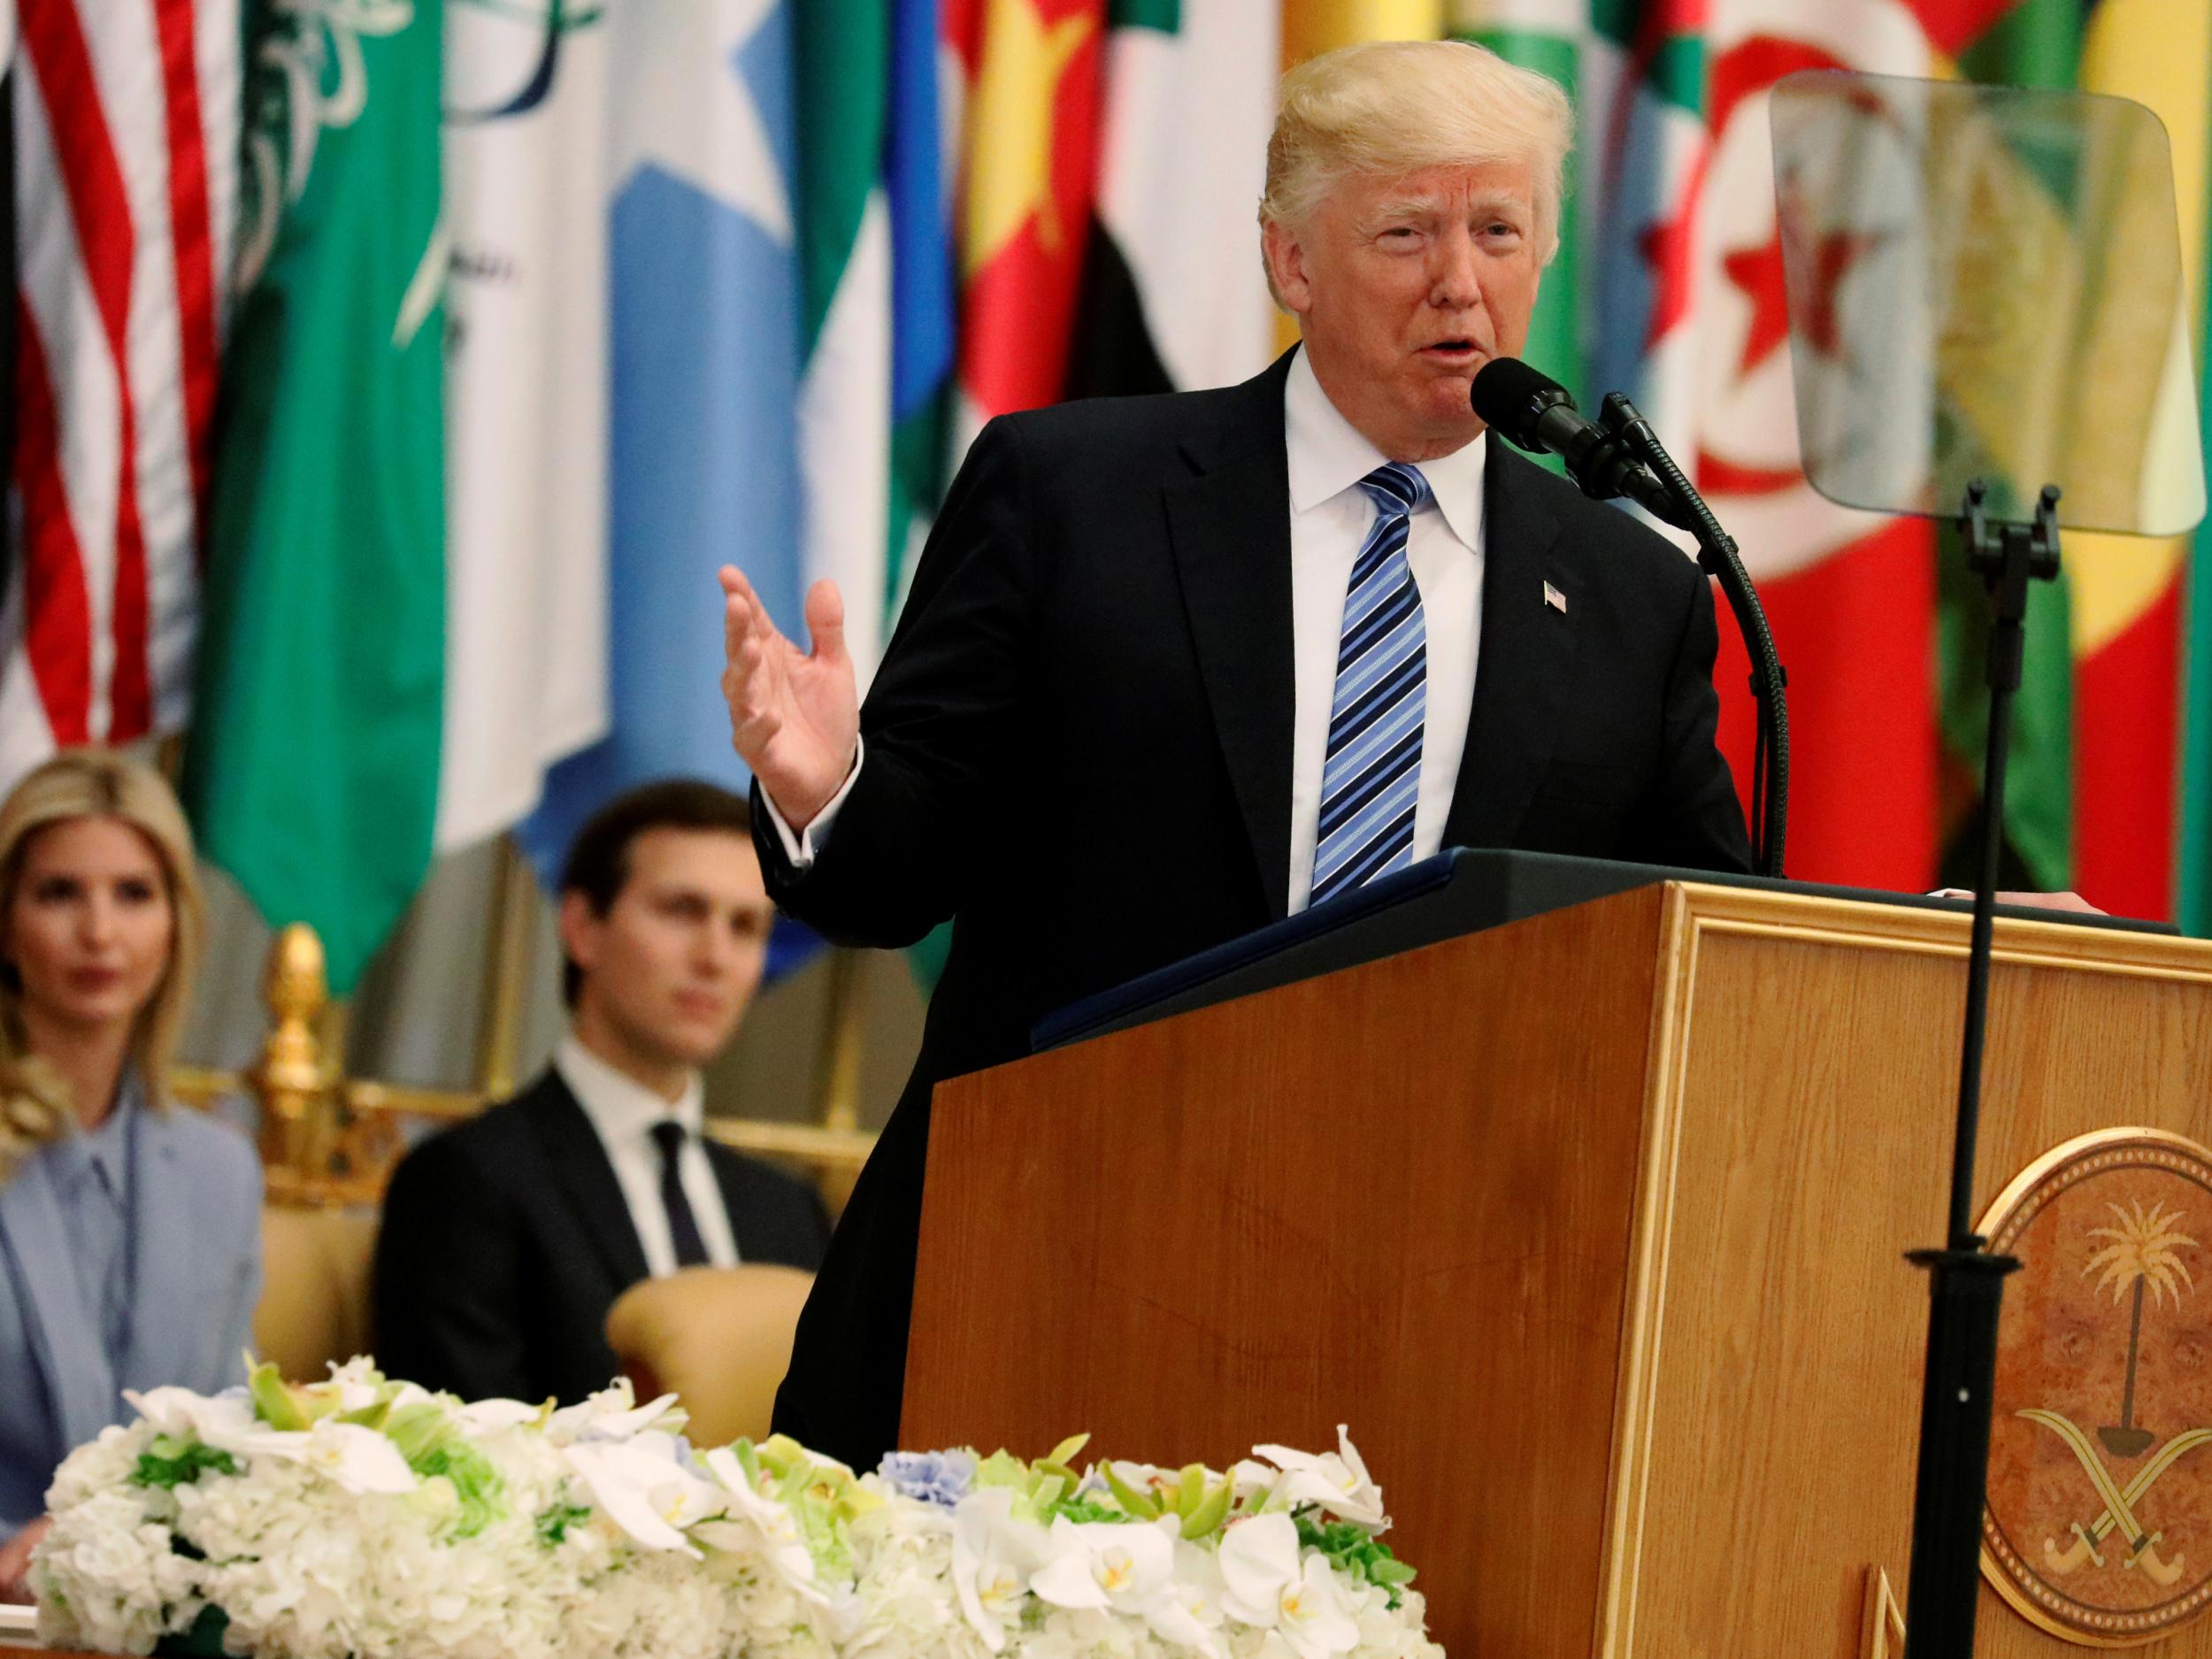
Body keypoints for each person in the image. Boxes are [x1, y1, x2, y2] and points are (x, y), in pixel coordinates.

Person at [718, 40, 1752, 1471]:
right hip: (1047, 1262)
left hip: (1433, 1331)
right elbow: (893, 884)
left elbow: (1694, 945)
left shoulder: (1634, 591)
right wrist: (826, 784)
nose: (1462, 281)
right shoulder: (1072, 491)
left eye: (1499, 229)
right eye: (1406, 230)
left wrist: (1903, 954)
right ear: (1293, 260)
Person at [373, 780, 831, 1405]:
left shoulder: (788, 1212)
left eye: (747, 925)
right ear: (583, 926)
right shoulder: (466, 1183)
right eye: (682, 910)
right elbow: (471, 1465)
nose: (716, 956)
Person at [0, 752, 259, 1600]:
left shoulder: (222, 1172)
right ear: (6, 919)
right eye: (59, 892)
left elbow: (222, 1442)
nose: (100, 932)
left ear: (177, 923)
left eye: (134, 893)